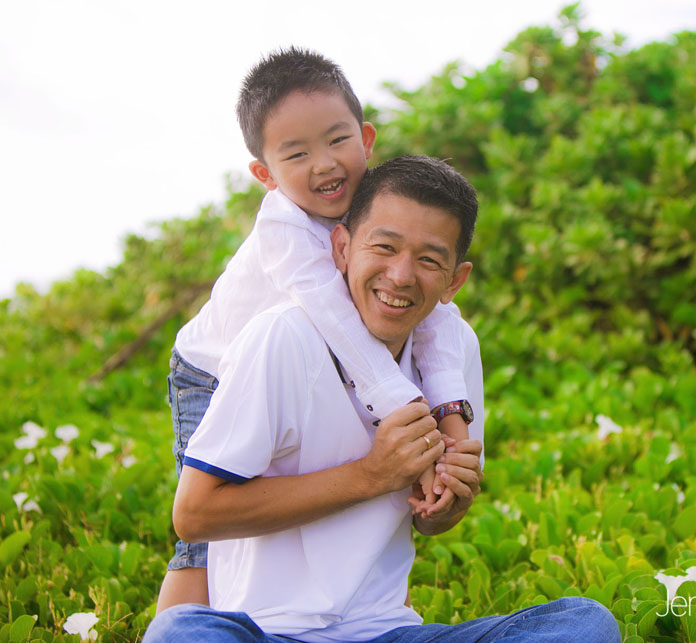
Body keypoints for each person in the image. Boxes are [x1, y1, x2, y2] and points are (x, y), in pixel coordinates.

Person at [144, 156, 619, 642]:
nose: (400, 275)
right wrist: (371, 475)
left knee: (586, 623)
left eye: (430, 260)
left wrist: (450, 502)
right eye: (384, 247)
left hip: (387, 633)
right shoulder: (282, 337)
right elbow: (195, 515)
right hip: (268, 633)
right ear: (343, 247)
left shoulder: (454, 351)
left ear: (455, 280)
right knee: (181, 632)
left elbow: (430, 523)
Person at [159, 48, 472, 611]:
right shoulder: (284, 225)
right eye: (296, 153)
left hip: (305, 369)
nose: (325, 164)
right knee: (201, 546)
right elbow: (335, 316)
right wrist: (406, 408)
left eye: (336, 140)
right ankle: (180, 627)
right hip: (209, 370)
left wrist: (450, 413)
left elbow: (436, 316)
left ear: (366, 138)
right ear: (265, 175)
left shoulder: (377, 205)